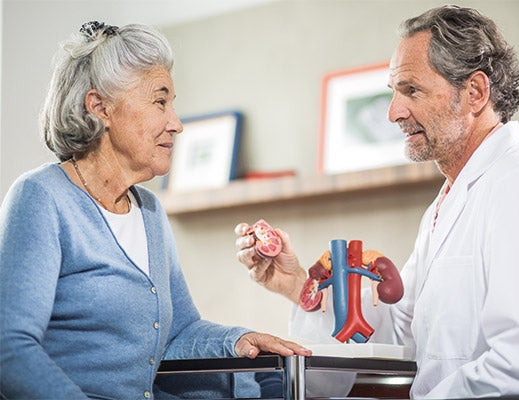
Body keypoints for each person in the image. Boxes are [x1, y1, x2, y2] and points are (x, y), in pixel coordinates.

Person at [234, 5, 519, 399]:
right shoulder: (447, 205)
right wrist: (299, 287)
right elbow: (397, 335)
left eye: (411, 90)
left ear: (474, 92)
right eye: (394, 91)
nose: (393, 112)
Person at [0, 21, 310, 400]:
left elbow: (178, 330)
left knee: (276, 387)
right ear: (100, 107)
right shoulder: (41, 198)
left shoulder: (148, 210)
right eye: (160, 101)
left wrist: (238, 338)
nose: (176, 123)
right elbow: (10, 347)